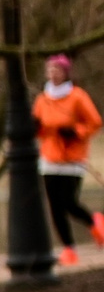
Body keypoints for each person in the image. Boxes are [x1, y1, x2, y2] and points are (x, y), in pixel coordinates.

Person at [35, 53, 103, 266]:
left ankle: (95, 222)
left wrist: (75, 131)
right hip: (50, 158)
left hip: (73, 158)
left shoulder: (77, 96)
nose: (53, 73)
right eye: (50, 69)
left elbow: (94, 122)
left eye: (57, 69)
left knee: (68, 202)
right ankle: (69, 250)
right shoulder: (42, 99)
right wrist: (35, 128)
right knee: (55, 206)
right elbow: (39, 127)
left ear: (66, 72)